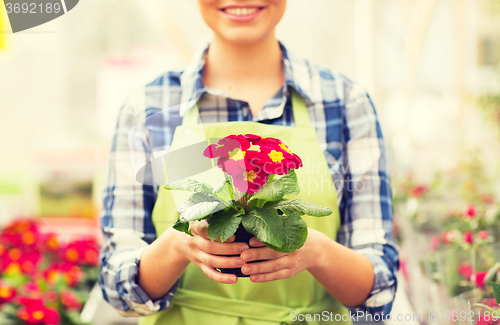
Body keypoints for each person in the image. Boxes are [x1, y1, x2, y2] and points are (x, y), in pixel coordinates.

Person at [99, 1, 399, 324]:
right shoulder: (149, 110)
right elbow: (118, 288)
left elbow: (378, 291)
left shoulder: (345, 104)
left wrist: (317, 252)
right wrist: (177, 245)